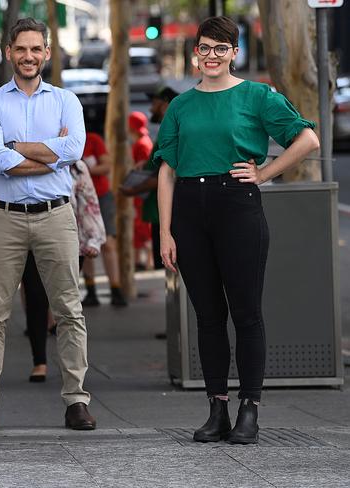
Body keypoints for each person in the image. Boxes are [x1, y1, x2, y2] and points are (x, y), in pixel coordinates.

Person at [155, 16, 319, 445]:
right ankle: (217, 410)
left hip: (237, 205)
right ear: (195, 53)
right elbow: (167, 170)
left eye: (221, 48)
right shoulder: (180, 106)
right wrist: (165, 232)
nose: (212, 55)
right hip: (189, 210)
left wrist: (265, 173)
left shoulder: (257, 96)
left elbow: (307, 141)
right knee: (208, 317)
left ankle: (250, 409)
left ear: (234, 53)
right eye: (205, 48)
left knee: (246, 313)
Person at [0, 17, 96, 432]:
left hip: (57, 216)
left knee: (69, 310)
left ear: (46, 52)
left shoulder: (66, 101)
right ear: (10, 52)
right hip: (4, 219)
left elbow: (73, 149)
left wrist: (15, 148)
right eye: (20, 49)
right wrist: (47, 154)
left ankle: (77, 400)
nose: (28, 56)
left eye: (35, 49)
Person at [21, 159, 106, 383]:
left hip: (69, 239)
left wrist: (94, 238)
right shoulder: (28, 162)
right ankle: (39, 361)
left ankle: (71, 367)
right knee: (36, 297)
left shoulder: (77, 166)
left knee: (66, 303)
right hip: (30, 237)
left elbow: (89, 201)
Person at [120, 86, 179, 270]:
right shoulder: (166, 130)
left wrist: (133, 190)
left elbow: (166, 173)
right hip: (158, 209)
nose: (152, 108)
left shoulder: (172, 131)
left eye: (155, 103)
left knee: (169, 268)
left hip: (166, 210)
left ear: (165, 105)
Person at [80, 131, 127, 307]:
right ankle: (91, 289)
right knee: (85, 245)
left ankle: (116, 288)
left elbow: (107, 165)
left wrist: (85, 169)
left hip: (100, 195)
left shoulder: (93, 139)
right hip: (80, 197)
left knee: (108, 242)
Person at [128, 111, 154, 271]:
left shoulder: (141, 144)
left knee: (142, 225)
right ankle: (143, 259)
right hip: (142, 188)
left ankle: (147, 260)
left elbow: (145, 168)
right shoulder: (144, 141)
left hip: (142, 188)